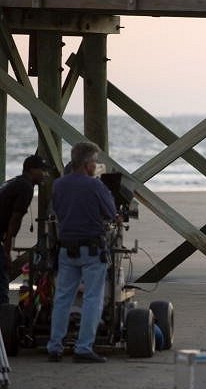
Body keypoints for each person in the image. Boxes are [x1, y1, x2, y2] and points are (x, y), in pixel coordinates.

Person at [46, 142, 117, 363]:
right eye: (94, 162)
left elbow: (57, 210)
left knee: (62, 299)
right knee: (92, 299)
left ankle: (55, 346)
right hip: (92, 249)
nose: (95, 166)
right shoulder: (95, 186)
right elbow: (110, 213)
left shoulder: (58, 184)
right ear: (87, 164)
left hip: (67, 248)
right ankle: (84, 347)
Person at [0, 155, 49, 304]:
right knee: (2, 279)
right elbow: (14, 222)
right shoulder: (26, 187)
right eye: (42, 170)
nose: (45, 174)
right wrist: (8, 253)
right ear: (32, 170)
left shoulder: (15, 181)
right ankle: (4, 319)